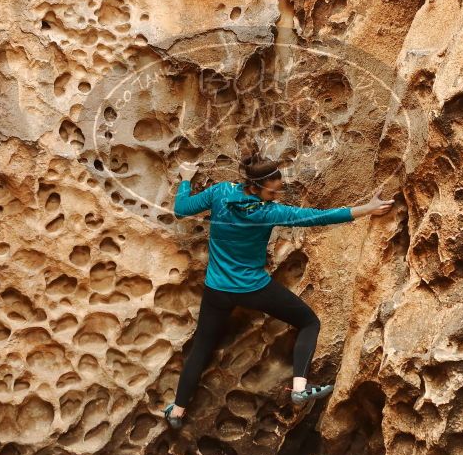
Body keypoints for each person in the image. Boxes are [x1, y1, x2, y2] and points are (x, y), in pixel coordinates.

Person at [162, 152, 394, 429]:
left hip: (217, 290)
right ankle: (299, 387)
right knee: (309, 322)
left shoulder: (221, 192)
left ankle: (177, 412)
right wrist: (367, 209)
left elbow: (181, 208)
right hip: (253, 288)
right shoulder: (268, 212)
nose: (278, 193)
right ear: (256, 187)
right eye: (274, 190)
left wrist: (186, 180)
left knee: (201, 348)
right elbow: (318, 217)